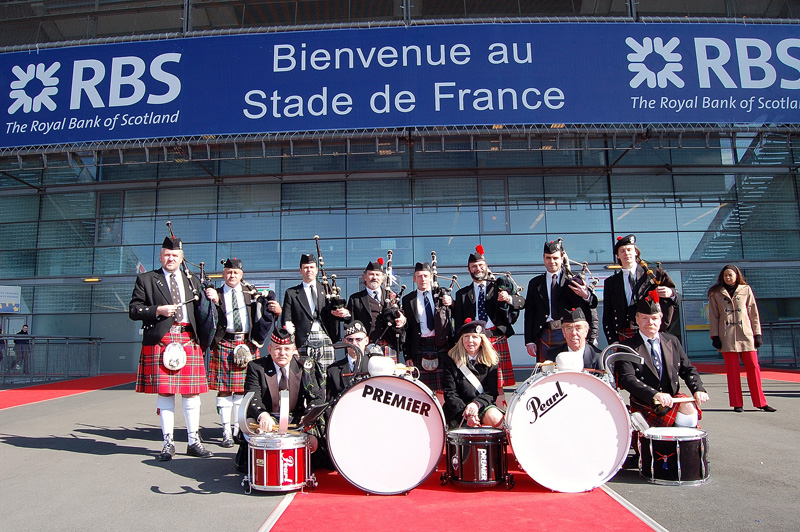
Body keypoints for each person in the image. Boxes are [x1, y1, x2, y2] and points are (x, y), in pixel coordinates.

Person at [129, 236, 213, 461]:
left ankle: (194, 441)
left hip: (188, 339)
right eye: (167, 255)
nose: (170, 259)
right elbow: (134, 310)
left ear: (181, 258)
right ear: (160, 256)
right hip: (161, 339)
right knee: (165, 392)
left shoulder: (192, 280)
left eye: (175, 255)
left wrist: (213, 296)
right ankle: (168, 442)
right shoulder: (147, 279)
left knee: (192, 393)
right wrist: (157, 310)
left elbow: (204, 310)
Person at [204, 257, 282, 448]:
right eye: (229, 272)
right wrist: (211, 299)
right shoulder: (217, 293)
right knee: (224, 390)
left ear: (241, 274)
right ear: (223, 274)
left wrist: (275, 311)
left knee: (242, 389)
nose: (232, 275)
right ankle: (225, 431)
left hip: (247, 342)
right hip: (225, 342)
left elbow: (266, 312)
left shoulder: (251, 293)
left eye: (236, 272)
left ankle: (238, 430)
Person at [235, 326, 326, 472]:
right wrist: (262, 416)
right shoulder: (256, 367)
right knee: (251, 424)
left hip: (296, 419)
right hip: (268, 418)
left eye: (287, 349)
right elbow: (252, 396)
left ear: (293, 350)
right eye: (277, 349)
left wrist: (308, 418)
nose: (282, 353)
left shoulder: (305, 367)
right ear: (269, 349)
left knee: (313, 444)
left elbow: (317, 397)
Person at [617, 293, 709, 428]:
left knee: (688, 407)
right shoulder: (627, 346)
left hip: (672, 398)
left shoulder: (672, 341)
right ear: (637, 319)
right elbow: (627, 379)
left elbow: (688, 369)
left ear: (660, 319)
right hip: (646, 402)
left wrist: (698, 389)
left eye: (654, 318)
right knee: (656, 443)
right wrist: (655, 394)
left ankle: (680, 444)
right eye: (645, 318)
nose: (650, 323)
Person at [453, 245, 524, 401]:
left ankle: (499, 415)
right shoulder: (462, 294)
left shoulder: (499, 287)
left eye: (481, 265)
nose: (478, 269)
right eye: (474, 267)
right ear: (469, 270)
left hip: (495, 337)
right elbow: (458, 323)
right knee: (473, 381)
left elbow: (521, 302)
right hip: (472, 341)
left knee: (498, 383)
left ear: (486, 267)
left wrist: (508, 298)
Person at [708, 265, 776, 413]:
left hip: (746, 334)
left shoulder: (746, 290)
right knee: (732, 371)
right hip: (726, 335)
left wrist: (757, 334)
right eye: (725, 275)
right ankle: (737, 403)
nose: (728, 278)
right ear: (722, 276)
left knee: (753, 367)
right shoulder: (715, 292)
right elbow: (713, 316)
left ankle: (760, 402)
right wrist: (715, 336)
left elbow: (754, 313)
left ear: (737, 276)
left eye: (730, 275)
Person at [524, 239, 598, 363]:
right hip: (544, 333)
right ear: (543, 258)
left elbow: (591, 306)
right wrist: (529, 341)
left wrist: (586, 295)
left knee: (570, 369)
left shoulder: (573, 279)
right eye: (548, 258)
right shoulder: (535, 283)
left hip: (568, 332)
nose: (552, 261)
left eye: (555, 258)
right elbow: (530, 313)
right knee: (545, 374)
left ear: (562, 258)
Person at [602, 234, 680, 344]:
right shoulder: (611, 282)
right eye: (622, 251)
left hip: (650, 328)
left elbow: (677, 297)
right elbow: (607, 314)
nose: (626, 253)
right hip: (625, 331)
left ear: (636, 252)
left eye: (629, 250)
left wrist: (670, 293)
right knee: (626, 361)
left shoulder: (652, 274)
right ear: (618, 256)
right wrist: (613, 340)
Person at [282, 253, 341, 371]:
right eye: (305, 267)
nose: (309, 270)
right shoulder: (292, 293)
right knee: (305, 377)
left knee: (327, 374)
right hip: (303, 339)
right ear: (300, 270)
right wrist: (292, 342)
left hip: (325, 337)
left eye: (312, 267)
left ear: (317, 270)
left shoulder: (327, 289)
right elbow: (286, 319)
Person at [401, 262, 453, 395]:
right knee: (421, 390)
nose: (422, 279)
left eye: (425, 276)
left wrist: (452, 303)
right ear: (414, 279)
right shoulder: (408, 300)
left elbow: (455, 313)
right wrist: (408, 355)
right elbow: (406, 329)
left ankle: (442, 415)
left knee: (444, 388)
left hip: (441, 345)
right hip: (419, 346)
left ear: (431, 277)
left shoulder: (441, 294)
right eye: (419, 276)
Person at [442, 319, 503, 429]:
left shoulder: (491, 361)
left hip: (480, 405)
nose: (470, 341)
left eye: (474, 337)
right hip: (457, 409)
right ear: (461, 339)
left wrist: (476, 404)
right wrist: (467, 413)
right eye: (466, 336)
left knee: (496, 417)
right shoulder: (450, 360)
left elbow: (491, 392)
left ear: (482, 340)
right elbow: (450, 393)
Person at [338, 260, 407, 356]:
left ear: (382, 279)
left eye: (377, 275)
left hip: (389, 345)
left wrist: (402, 319)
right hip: (365, 346)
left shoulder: (392, 296)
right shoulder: (355, 299)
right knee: (366, 371)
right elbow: (350, 325)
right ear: (364, 277)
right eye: (371, 274)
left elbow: (400, 316)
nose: (374, 277)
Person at [547, 307, 604, 371]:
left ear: (586, 331)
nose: (573, 333)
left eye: (578, 328)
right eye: (569, 328)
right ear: (563, 332)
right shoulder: (552, 355)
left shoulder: (599, 357)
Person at [326, 320, 370, 401]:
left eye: (358, 339)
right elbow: (330, 405)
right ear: (345, 341)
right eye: (350, 340)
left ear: (366, 341)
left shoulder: (374, 365)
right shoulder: (333, 370)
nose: (354, 343)